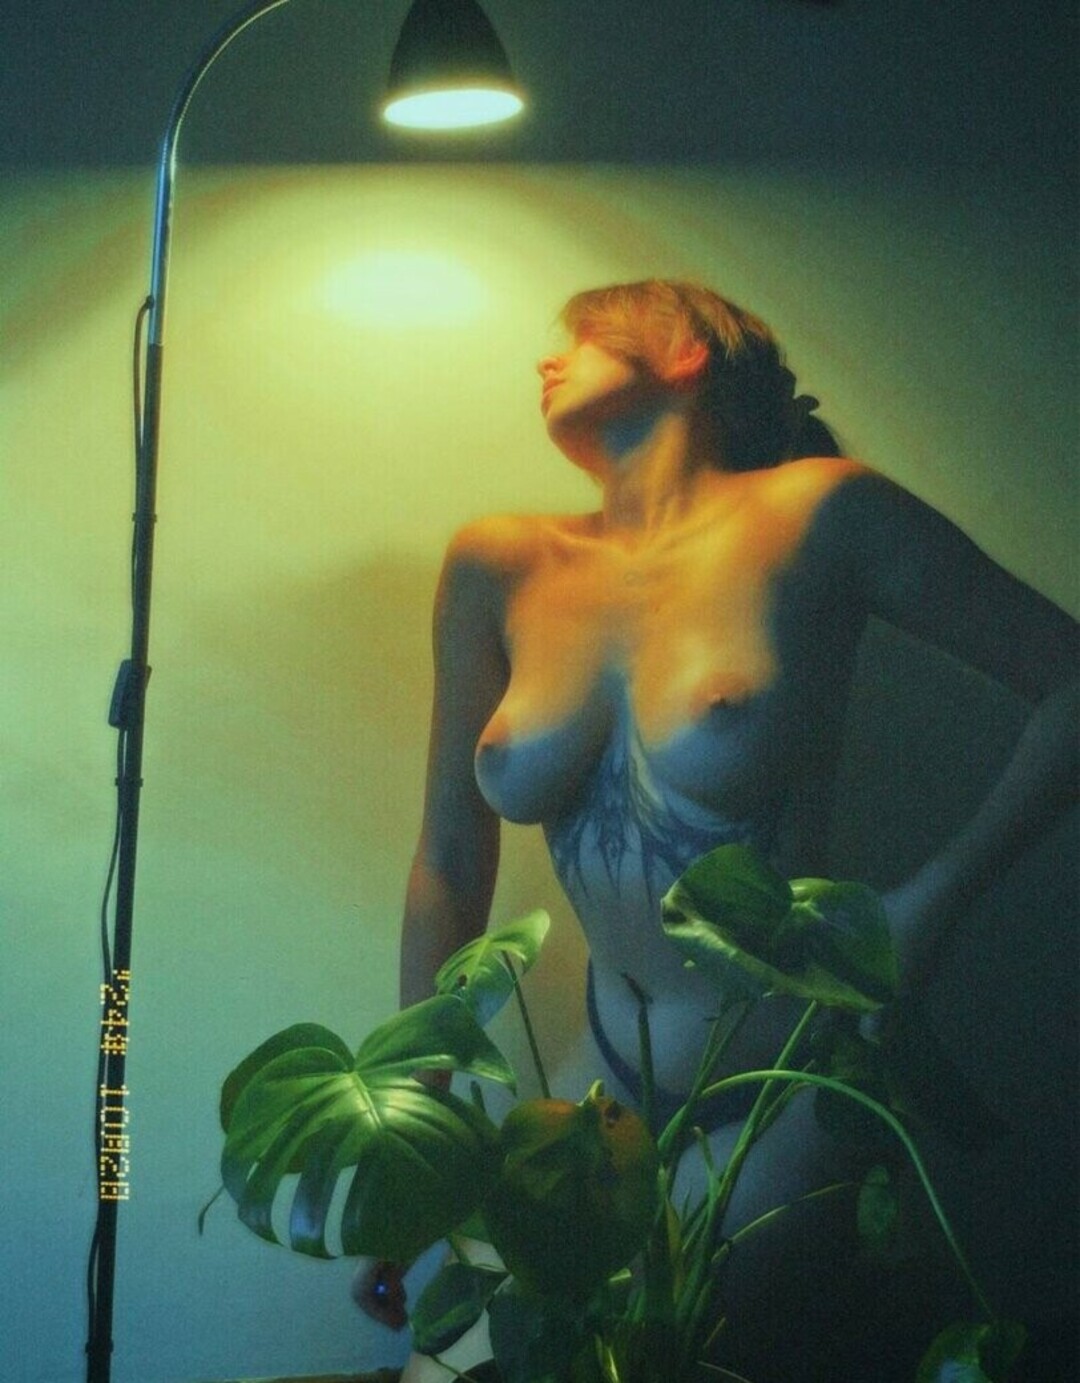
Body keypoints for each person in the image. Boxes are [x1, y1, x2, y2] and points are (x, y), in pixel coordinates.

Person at [359, 280, 1077, 1380]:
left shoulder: (822, 512)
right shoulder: (499, 562)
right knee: (451, 1365)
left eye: (582, 336)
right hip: (606, 1076)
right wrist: (420, 1132)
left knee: (641, 1339)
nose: (547, 360)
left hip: (790, 1072)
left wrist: (926, 910)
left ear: (686, 351)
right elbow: (451, 857)